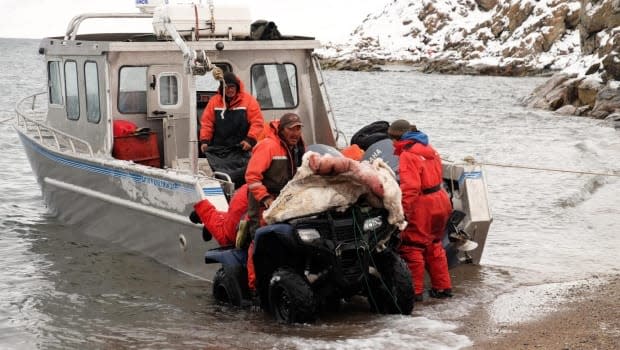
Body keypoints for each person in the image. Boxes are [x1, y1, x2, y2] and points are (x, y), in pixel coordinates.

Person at [388, 119, 453, 301]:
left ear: (396, 138)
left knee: (412, 246)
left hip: (423, 204)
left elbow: (411, 188)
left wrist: (402, 213)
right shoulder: (429, 148)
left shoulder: (408, 155)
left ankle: (414, 292)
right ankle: (442, 288)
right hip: (440, 200)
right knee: (434, 244)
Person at [244, 112, 306, 292]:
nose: (295, 133)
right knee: (260, 241)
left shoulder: (298, 147)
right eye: (291, 129)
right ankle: (255, 286)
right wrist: (265, 198)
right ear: (282, 130)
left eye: (298, 129)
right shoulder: (268, 146)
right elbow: (252, 177)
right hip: (264, 203)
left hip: (286, 202)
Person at [199, 71, 264, 187]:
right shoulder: (214, 101)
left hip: (242, 148)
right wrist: (205, 141)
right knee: (222, 179)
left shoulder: (249, 101)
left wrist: (250, 140)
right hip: (219, 148)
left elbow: (257, 122)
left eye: (232, 87)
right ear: (222, 88)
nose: (229, 90)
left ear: (237, 87)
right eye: (226, 87)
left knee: (244, 178)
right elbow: (207, 123)